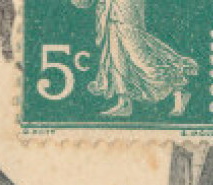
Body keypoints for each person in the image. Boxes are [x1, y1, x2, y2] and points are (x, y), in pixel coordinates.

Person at [70, 0, 198, 118]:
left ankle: (179, 93)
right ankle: (124, 101)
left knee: (139, 58)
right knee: (116, 55)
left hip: (126, 7)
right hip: (111, 9)